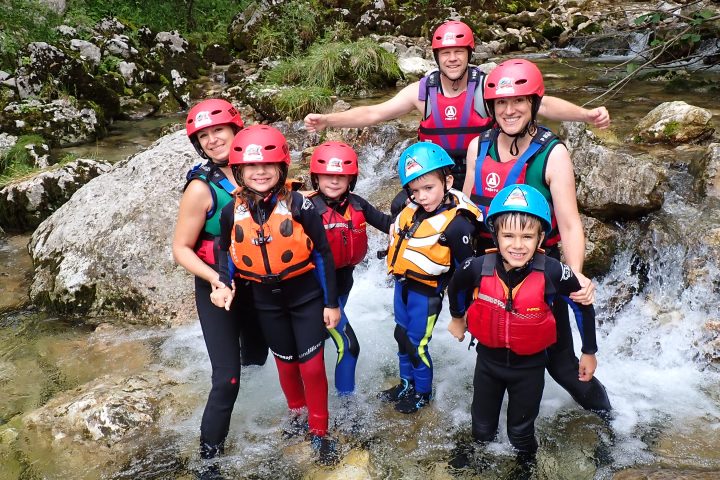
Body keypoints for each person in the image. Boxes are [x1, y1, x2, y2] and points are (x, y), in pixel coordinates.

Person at [462, 58, 611, 416]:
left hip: (538, 271)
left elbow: (571, 223)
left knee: (561, 367)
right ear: (491, 107)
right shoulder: (477, 148)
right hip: (491, 273)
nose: (509, 110)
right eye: (501, 103)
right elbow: (466, 213)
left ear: (534, 105)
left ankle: (613, 422)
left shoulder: (552, 153)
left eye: (519, 102)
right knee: (495, 356)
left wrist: (574, 275)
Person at [304, 20, 610, 190]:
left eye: (459, 52)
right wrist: (329, 121)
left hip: (483, 167)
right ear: (436, 57)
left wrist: (586, 115)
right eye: (446, 53)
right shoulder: (422, 91)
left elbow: (540, 105)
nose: (452, 58)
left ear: (469, 53)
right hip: (434, 173)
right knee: (402, 210)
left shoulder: (487, 86)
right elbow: (374, 112)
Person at [209, 124, 341, 465]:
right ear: (239, 171)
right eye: (252, 167)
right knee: (286, 367)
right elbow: (227, 251)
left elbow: (323, 254)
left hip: (306, 297)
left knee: (311, 368)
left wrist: (331, 303)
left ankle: (320, 431)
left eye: (268, 165)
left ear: (282, 167)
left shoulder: (301, 206)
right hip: (266, 301)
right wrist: (224, 283)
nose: (261, 172)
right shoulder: (230, 212)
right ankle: (297, 418)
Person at [447, 183, 598, 464]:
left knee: (520, 434)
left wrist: (589, 351)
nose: (517, 245)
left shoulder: (554, 272)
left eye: (527, 237)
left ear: (541, 238)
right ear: (495, 235)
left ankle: (524, 470)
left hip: (528, 370)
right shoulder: (479, 266)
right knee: (481, 430)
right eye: (509, 236)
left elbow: (583, 308)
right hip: (488, 365)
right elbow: (455, 285)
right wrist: (457, 317)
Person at [172, 99, 268, 460]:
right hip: (218, 287)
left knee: (258, 357)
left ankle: (265, 416)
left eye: (219, 131)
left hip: (259, 282)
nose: (213, 140)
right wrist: (216, 279)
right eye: (205, 136)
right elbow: (181, 248)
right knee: (227, 378)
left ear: (235, 131)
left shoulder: (259, 171)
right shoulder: (200, 189)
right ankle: (209, 459)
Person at [381, 142, 482, 414]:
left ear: (448, 181)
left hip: (427, 294)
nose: (422, 197)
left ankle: (422, 393)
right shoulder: (410, 209)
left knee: (417, 344)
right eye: (414, 191)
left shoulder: (457, 224)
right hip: (402, 286)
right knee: (401, 335)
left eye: (429, 188)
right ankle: (405, 383)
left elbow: (466, 273)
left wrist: (460, 314)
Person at [307, 141, 393, 396]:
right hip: (318, 292)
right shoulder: (306, 208)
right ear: (316, 177)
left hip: (344, 284)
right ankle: (346, 406)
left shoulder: (357, 205)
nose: (334, 182)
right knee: (348, 346)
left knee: (322, 341)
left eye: (341, 176)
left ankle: (325, 399)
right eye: (328, 176)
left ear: (351, 179)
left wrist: (423, 217)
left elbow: (389, 224)